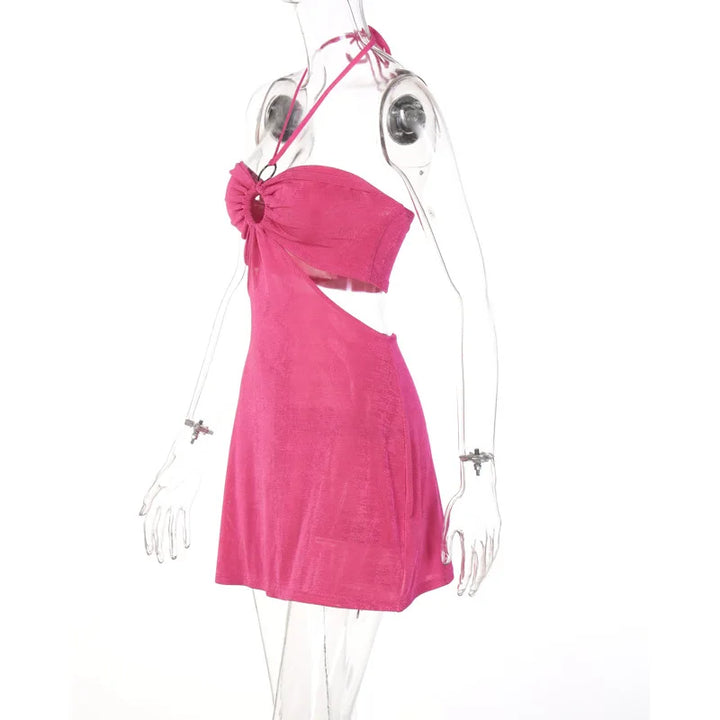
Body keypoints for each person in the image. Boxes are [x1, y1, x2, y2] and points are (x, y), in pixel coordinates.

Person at [139, 1, 500, 716]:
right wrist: (188, 448)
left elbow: (473, 294)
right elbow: (243, 283)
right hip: (269, 431)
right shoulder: (277, 104)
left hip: (354, 428)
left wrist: (479, 474)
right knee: (302, 701)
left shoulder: (399, 107)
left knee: (306, 701)